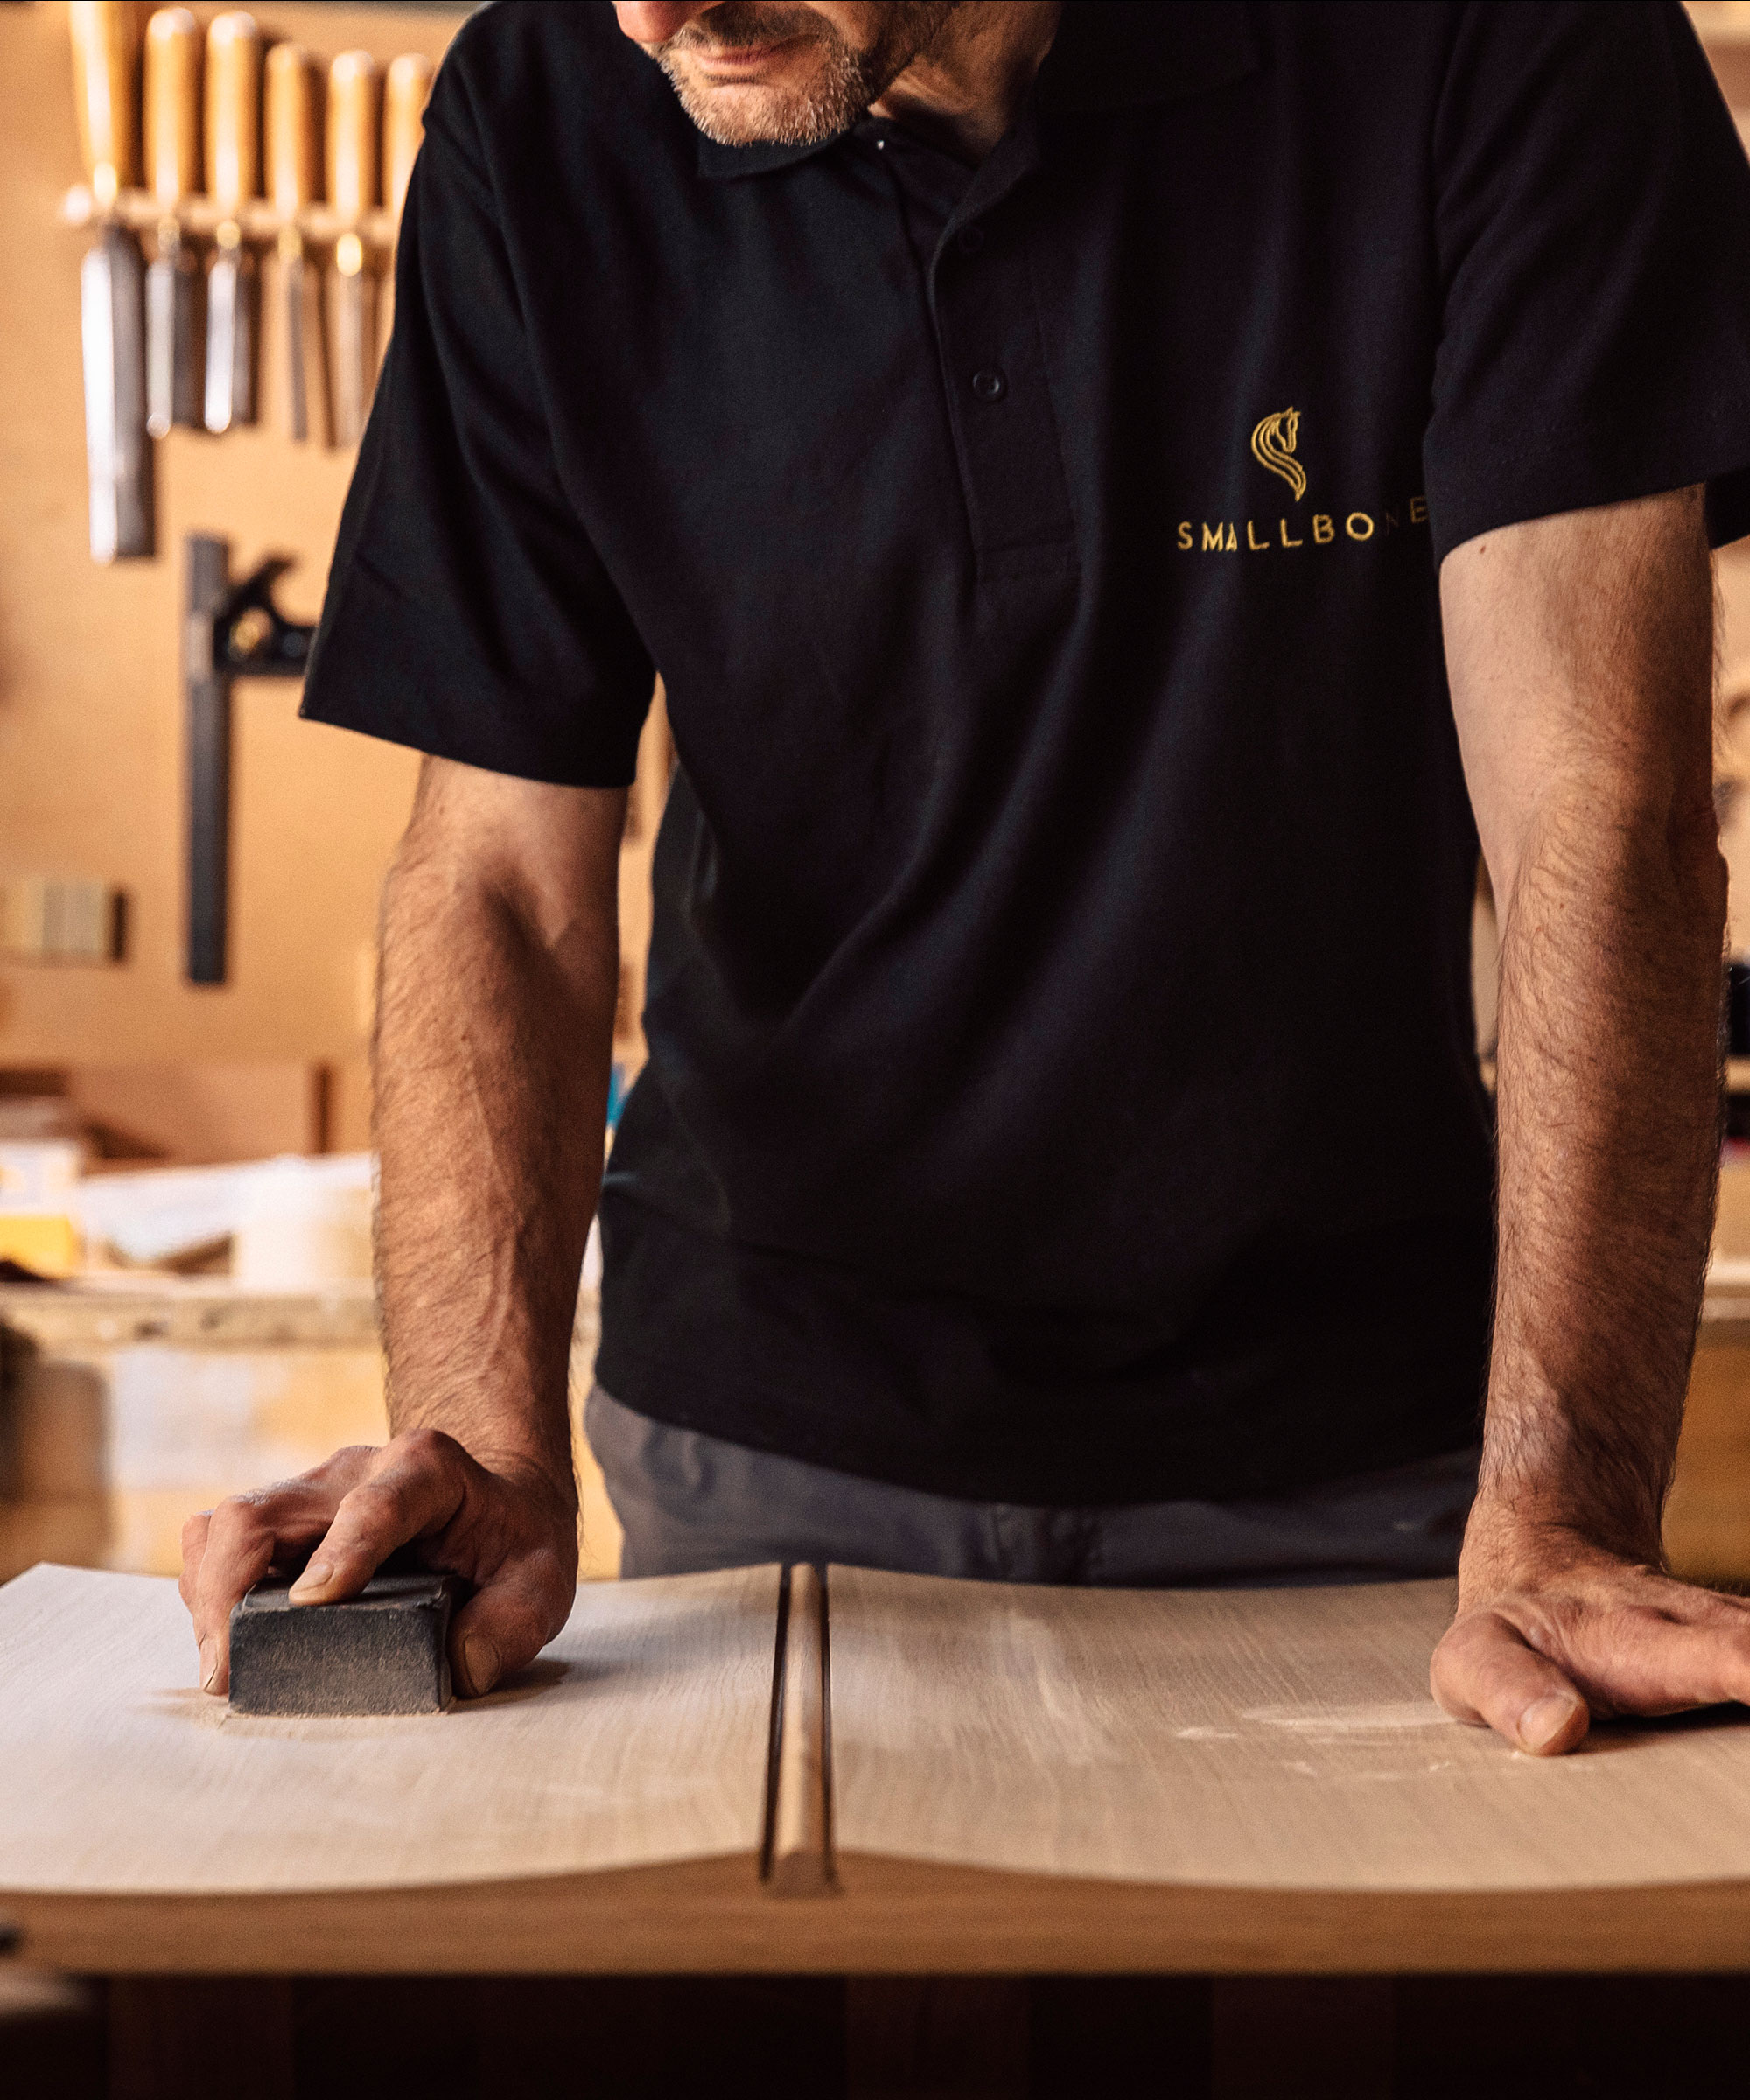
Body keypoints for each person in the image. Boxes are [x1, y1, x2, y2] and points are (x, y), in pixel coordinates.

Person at [181, 2, 1750, 1757]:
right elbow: (497, 878)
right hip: (759, 1440)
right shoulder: (549, 104)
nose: (652, 15)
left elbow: (1597, 818)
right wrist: (479, 1438)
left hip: (1372, 1464)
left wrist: (1564, 1512)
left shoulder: (1500, 40)